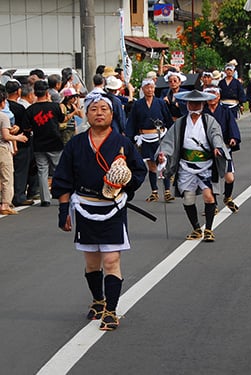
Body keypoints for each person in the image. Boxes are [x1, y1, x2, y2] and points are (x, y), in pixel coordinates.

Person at [51, 90, 147, 331]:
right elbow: (63, 178)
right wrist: (64, 212)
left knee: (112, 260)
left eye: (104, 109)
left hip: (112, 208)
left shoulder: (123, 143)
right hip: (84, 207)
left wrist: (123, 182)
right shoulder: (75, 143)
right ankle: (98, 299)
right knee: (92, 262)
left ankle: (111, 311)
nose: (99, 113)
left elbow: (138, 172)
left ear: (112, 113)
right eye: (93, 109)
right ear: (86, 113)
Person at [156, 90, 231, 242]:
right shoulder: (180, 123)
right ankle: (196, 228)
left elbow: (216, 135)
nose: (194, 105)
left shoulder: (209, 121)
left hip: (206, 164)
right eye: (191, 103)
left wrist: (217, 147)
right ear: (187, 104)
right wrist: (163, 154)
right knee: (188, 199)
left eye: (197, 103)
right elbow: (169, 140)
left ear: (202, 104)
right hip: (186, 165)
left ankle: (209, 229)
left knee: (209, 196)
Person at [126, 79, 174, 202]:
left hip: (159, 135)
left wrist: (170, 134)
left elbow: (168, 118)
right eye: (147, 88)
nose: (150, 90)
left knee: (163, 162)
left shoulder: (160, 103)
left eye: (152, 87)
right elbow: (132, 121)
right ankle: (154, 191)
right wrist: (130, 137)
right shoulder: (138, 104)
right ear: (143, 89)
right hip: (145, 137)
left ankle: (167, 191)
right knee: (151, 165)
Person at [23, 80, 66, 207]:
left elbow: (26, 128)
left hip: (39, 143)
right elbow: (62, 119)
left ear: (35, 93)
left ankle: (45, 199)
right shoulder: (55, 106)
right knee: (58, 169)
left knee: (42, 171)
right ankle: (61, 194)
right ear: (47, 92)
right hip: (55, 142)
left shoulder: (30, 110)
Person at [203, 85, 241, 212]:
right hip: (207, 148)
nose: (211, 97)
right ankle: (213, 204)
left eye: (214, 94)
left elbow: (232, 125)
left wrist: (233, 138)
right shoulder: (202, 112)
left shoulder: (225, 110)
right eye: (208, 94)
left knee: (229, 177)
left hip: (224, 147)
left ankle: (228, 197)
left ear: (219, 96)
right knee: (211, 178)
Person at [0, 90, 28, 215]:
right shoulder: (3, 117)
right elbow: (5, 136)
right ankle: (5, 204)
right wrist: (18, 137)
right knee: (7, 176)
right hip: (2, 149)